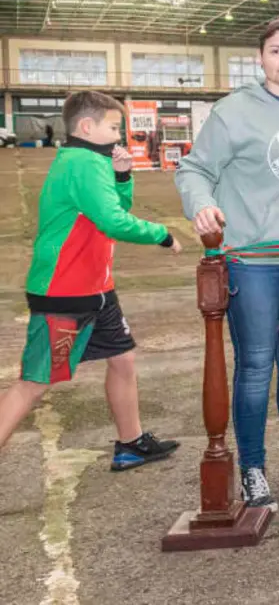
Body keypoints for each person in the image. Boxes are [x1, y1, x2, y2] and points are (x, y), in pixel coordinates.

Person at [176, 18, 279, 512]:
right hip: (254, 260)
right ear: (260, 58)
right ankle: (251, 467)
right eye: (276, 51)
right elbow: (194, 169)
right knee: (254, 366)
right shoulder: (232, 113)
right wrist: (200, 205)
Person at [0, 91, 182, 470]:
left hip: (96, 289)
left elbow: (115, 208)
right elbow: (114, 222)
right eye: (113, 127)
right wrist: (162, 234)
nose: (119, 135)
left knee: (122, 360)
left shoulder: (88, 162)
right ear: (87, 126)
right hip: (66, 291)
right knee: (34, 383)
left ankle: (131, 443)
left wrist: (122, 176)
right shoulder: (83, 162)